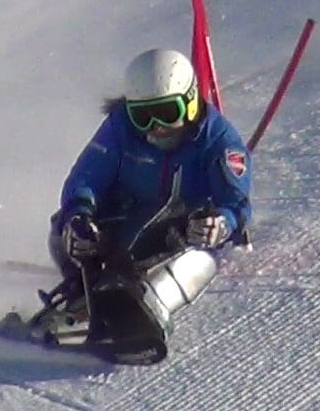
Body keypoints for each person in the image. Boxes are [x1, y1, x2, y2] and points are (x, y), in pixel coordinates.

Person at [48, 48, 252, 287]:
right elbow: (88, 176)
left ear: (191, 102)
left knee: (196, 258)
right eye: (142, 116)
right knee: (61, 229)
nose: (157, 126)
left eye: (167, 112)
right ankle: (78, 290)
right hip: (127, 219)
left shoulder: (218, 140)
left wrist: (223, 223)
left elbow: (236, 202)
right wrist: (78, 214)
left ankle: (147, 299)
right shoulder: (120, 127)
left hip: (182, 233)